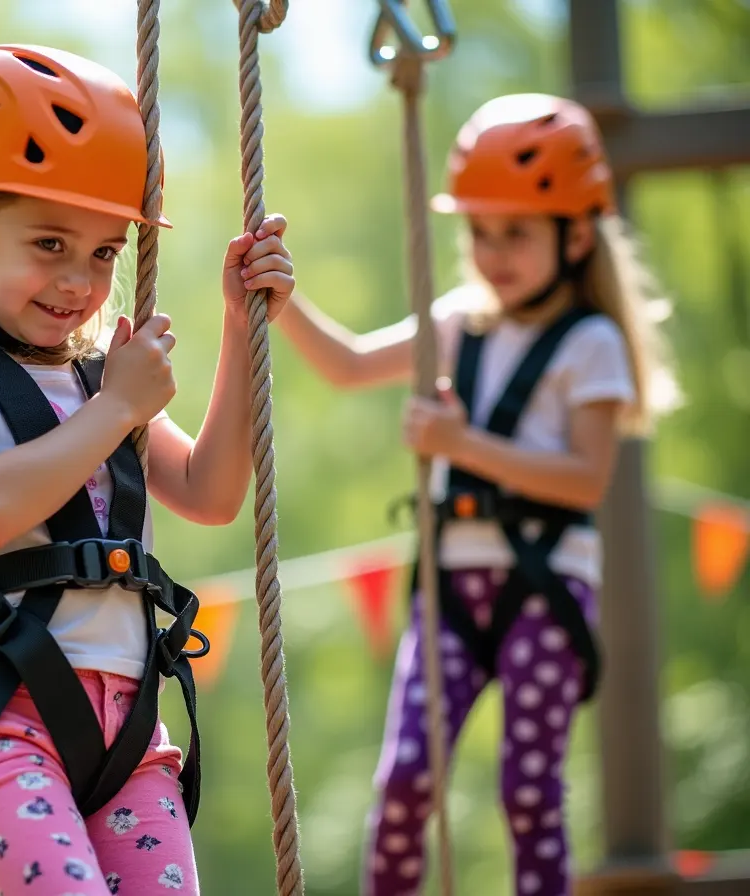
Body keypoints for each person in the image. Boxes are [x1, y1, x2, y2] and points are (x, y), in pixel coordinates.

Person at [0, 44, 295, 895]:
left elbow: (213, 493)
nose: (81, 282)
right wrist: (117, 409)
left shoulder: (90, 378)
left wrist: (237, 324)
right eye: (49, 244)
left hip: (127, 735)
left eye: (106, 254)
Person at [276, 93, 675, 896]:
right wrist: (282, 302)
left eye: (515, 233)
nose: (492, 254)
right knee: (404, 785)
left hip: (546, 584)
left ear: (573, 233)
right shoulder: (462, 321)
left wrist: (461, 446)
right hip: (452, 584)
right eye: (479, 232)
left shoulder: (590, 345)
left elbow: (586, 477)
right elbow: (351, 364)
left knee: (529, 794)